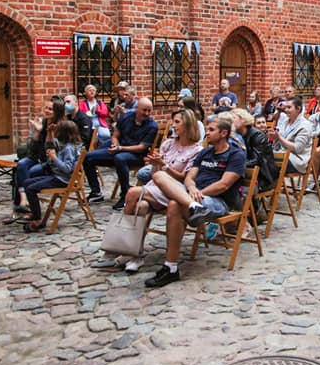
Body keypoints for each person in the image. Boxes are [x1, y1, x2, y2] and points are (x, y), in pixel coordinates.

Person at [143, 115, 246, 288]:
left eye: (211, 130)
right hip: (193, 196)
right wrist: (191, 189)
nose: (207, 133)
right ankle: (193, 207)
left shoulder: (236, 155)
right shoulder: (205, 152)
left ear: (224, 133)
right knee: (160, 174)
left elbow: (223, 185)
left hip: (217, 201)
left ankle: (171, 267)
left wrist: (198, 193)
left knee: (175, 204)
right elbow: (190, 176)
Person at [118, 109, 203, 272]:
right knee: (139, 207)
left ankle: (125, 247)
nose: (173, 125)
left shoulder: (196, 151)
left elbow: (182, 178)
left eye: (177, 122)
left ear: (188, 124)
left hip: (175, 191)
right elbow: (153, 175)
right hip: (155, 187)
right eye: (173, 122)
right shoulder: (168, 144)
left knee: (132, 192)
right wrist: (155, 163)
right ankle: (136, 254)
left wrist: (163, 165)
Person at [84, 97, 158, 210]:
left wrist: (120, 148)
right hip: (119, 148)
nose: (147, 113)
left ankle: (125, 194)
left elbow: (141, 147)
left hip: (136, 155)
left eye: (149, 110)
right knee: (88, 157)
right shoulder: (126, 117)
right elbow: (115, 135)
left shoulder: (152, 126)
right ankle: (96, 192)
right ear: (137, 108)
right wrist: (115, 145)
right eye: (144, 110)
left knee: (120, 158)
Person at [18, 120, 83, 233]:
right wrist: (50, 133)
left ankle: (37, 218)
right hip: (56, 176)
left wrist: (54, 158)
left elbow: (67, 169)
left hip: (62, 180)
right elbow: (53, 143)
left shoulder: (68, 148)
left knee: (30, 188)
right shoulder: (64, 145)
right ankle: (35, 214)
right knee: (27, 182)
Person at [12, 99, 64, 214]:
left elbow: (50, 150)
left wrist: (47, 133)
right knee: (21, 165)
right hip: (37, 157)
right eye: (46, 108)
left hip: (50, 163)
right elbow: (31, 149)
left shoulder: (60, 127)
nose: (47, 111)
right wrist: (37, 131)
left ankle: (22, 204)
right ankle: (23, 201)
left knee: (29, 172)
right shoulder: (43, 122)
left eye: (50, 109)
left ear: (57, 112)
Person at [231, 108, 276, 193]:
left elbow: (257, 160)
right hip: (247, 174)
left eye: (233, 118)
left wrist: (236, 164)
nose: (230, 122)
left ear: (243, 119)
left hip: (262, 177)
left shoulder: (257, 136)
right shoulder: (237, 135)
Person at [270, 96, 313, 174]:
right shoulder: (286, 121)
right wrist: (272, 135)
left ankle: (269, 184)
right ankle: (268, 184)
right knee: (261, 158)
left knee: (265, 162)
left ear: (298, 109)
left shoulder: (305, 125)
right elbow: (278, 134)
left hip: (296, 160)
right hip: (282, 154)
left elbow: (297, 148)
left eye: (289, 107)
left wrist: (279, 137)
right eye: (285, 108)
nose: (286, 110)